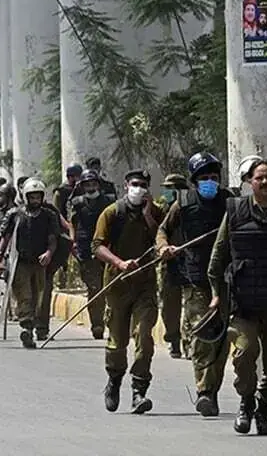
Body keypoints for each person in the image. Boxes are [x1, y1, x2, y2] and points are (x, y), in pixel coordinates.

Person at [208, 159, 267, 435]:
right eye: (259, 178)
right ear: (250, 182)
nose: (264, 182)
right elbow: (218, 256)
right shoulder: (235, 210)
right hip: (244, 304)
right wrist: (216, 294)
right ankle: (246, 402)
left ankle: (264, 410)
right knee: (244, 355)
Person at [157, 153, 232, 417]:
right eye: (204, 178)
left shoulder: (230, 202)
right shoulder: (183, 204)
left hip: (227, 280)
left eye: (214, 177)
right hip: (196, 279)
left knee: (221, 338)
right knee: (202, 334)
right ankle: (204, 391)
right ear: (195, 181)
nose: (210, 182)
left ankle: (212, 389)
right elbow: (163, 231)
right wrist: (164, 248)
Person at [93, 169, 163, 414]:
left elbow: (161, 238)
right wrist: (119, 263)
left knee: (144, 337)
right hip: (117, 284)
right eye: (135, 184)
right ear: (126, 185)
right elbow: (97, 246)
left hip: (145, 284)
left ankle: (139, 390)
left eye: (143, 185)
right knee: (117, 341)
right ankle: (114, 380)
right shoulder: (112, 212)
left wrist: (148, 216)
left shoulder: (155, 212)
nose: (139, 189)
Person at [0, 179, 60, 349]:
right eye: (32, 197)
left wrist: (49, 253)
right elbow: (5, 237)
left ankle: (33, 325)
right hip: (20, 262)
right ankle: (27, 329)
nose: (35, 201)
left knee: (38, 297)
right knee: (25, 296)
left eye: (38, 197)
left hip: (39, 263)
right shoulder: (15, 214)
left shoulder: (49, 216)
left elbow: (53, 239)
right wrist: (0, 257)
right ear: (25, 197)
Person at [67, 169, 116, 339]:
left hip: (108, 248)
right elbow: (72, 223)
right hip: (86, 251)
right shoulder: (77, 203)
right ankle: (97, 325)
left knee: (112, 287)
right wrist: (72, 242)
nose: (91, 187)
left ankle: (114, 324)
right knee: (94, 288)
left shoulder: (109, 201)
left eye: (93, 184)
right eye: (87, 185)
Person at [157, 173, 189, 358]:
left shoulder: (188, 205)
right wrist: (163, 247)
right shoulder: (163, 209)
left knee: (192, 304)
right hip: (171, 261)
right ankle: (174, 340)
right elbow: (160, 231)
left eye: (171, 188)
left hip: (191, 260)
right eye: (166, 188)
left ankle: (189, 342)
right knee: (170, 304)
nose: (167, 192)